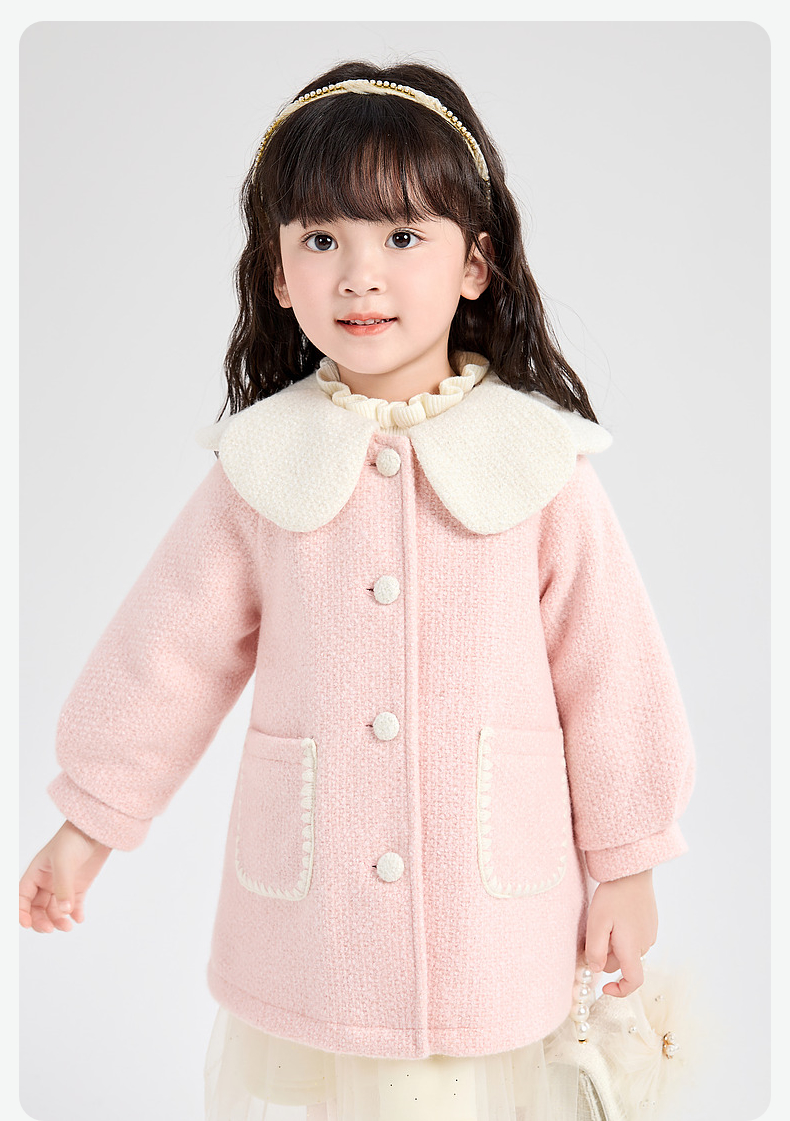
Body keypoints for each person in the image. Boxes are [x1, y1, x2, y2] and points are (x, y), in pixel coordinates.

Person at [19, 59, 696, 1121]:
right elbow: (165, 655)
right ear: (279, 276)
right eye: (322, 240)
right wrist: (88, 820)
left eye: (403, 236)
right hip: (319, 919)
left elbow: (613, 672)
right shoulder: (260, 465)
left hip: (491, 911)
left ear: (476, 264)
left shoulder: (539, 463)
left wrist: (628, 860)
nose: (359, 276)